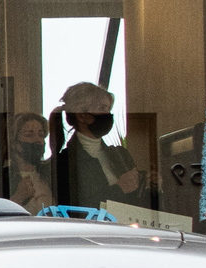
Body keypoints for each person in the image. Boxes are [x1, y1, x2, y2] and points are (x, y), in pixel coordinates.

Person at [53, 82, 141, 210]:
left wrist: (151, 187)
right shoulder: (64, 162)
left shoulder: (121, 154)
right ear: (81, 115)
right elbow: (76, 208)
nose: (108, 114)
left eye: (108, 109)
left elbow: (138, 201)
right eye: (101, 108)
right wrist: (119, 189)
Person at [5, 111, 54, 213]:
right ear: (15, 144)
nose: (38, 140)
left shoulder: (52, 176)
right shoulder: (3, 179)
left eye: (41, 135)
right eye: (29, 135)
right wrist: (18, 197)